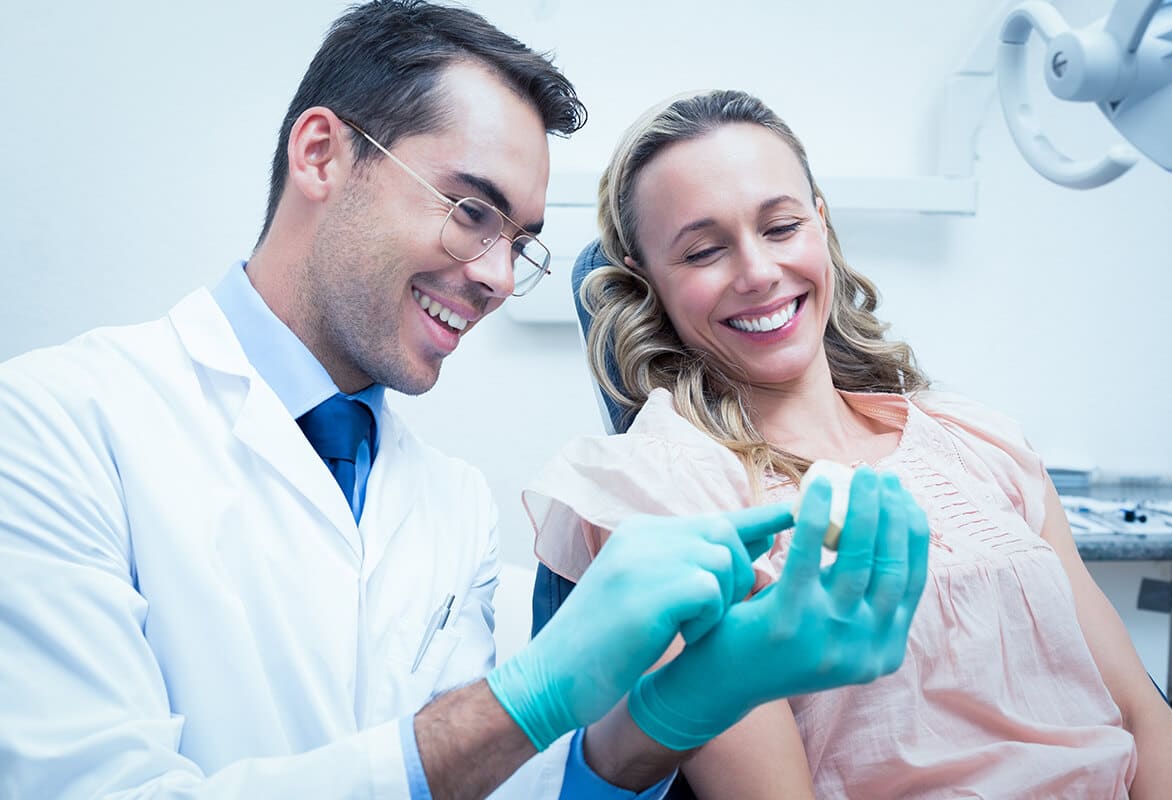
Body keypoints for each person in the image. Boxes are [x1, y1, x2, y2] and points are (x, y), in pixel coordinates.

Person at [0, 5, 932, 799]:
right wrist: (533, 695)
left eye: (518, 239)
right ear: (323, 154)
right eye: (470, 210)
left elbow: (484, 778)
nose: (494, 277)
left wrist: (667, 714)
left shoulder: (450, 502)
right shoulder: (54, 425)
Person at [524, 88, 1172, 798]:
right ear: (646, 281)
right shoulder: (667, 495)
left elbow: (1142, 714)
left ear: (821, 223)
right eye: (702, 251)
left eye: (781, 227)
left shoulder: (980, 440)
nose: (757, 273)